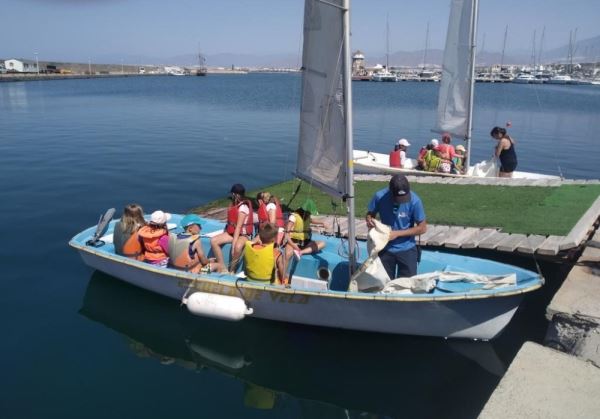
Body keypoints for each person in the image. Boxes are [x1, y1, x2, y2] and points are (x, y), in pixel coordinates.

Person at [365, 174, 427, 279]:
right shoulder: (379, 197)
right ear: (390, 191)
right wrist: (369, 220)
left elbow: (422, 227)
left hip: (407, 249)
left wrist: (397, 234)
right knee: (384, 283)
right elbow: (370, 213)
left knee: (407, 286)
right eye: (398, 198)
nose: (401, 200)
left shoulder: (415, 201)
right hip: (384, 248)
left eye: (404, 197)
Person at [210, 183, 254, 272]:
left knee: (237, 247)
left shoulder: (243, 208)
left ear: (235, 194)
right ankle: (222, 266)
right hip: (232, 233)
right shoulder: (234, 205)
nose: (231, 196)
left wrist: (233, 245)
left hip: (243, 235)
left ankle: (232, 270)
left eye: (232, 194)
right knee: (213, 241)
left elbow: (238, 227)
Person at [284, 201, 326, 270]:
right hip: (294, 241)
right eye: (309, 212)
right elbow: (286, 234)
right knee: (287, 255)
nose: (310, 214)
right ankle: (283, 276)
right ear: (304, 211)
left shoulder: (307, 216)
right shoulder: (294, 217)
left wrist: (322, 222)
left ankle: (300, 252)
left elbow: (312, 220)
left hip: (305, 242)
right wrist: (294, 245)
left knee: (322, 243)